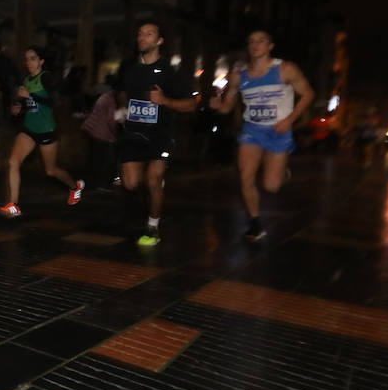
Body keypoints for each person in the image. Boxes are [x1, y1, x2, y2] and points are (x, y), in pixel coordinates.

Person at [211, 29, 313, 240]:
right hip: (252, 130)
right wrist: (218, 104)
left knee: (271, 186)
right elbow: (227, 107)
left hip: (278, 131)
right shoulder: (239, 76)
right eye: (251, 42)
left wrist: (289, 120)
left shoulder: (285, 69)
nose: (255, 45)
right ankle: (255, 223)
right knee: (245, 177)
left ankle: (280, 169)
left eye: (261, 41)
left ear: (270, 46)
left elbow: (308, 94)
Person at [116, 21, 197, 246]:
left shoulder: (170, 72)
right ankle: (153, 187)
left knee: (152, 180)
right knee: (131, 184)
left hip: (160, 134)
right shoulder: (129, 68)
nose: (142, 37)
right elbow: (122, 92)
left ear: (159, 41)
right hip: (133, 133)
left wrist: (165, 100)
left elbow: (191, 105)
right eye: (140, 33)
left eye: (149, 34)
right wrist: (122, 108)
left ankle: (152, 227)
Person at [0, 46, 84, 217]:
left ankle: (75, 187)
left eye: (33, 58)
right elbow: (28, 106)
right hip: (29, 129)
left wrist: (30, 96)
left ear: (41, 61)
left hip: (46, 130)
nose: (29, 62)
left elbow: (52, 101)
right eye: (27, 59)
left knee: (50, 171)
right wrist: (18, 108)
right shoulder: (27, 80)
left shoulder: (46, 77)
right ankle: (13, 205)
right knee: (12, 162)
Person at [81, 85, 124, 191]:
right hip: (101, 133)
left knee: (95, 159)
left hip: (94, 131)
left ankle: (92, 183)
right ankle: (101, 184)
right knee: (107, 160)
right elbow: (111, 121)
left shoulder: (106, 97)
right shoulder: (110, 100)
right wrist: (117, 135)